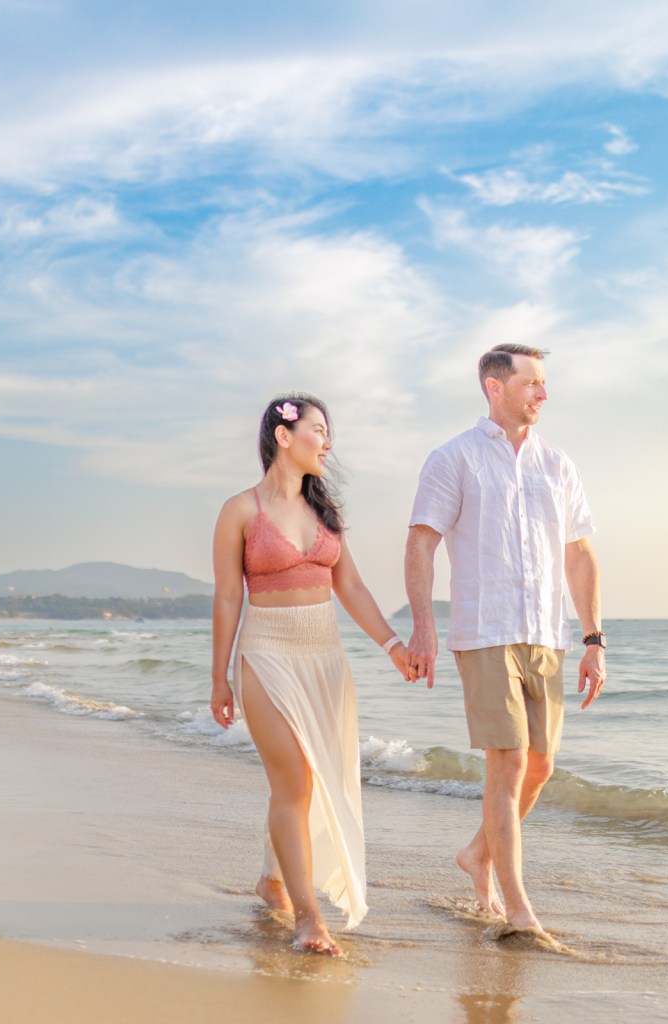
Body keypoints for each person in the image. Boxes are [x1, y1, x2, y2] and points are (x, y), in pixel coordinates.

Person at [404, 343, 605, 937]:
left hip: (547, 632)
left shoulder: (558, 464)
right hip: (486, 630)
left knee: (540, 766)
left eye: (544, 384)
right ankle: (518, 909)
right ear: (494, 386)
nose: (543, 393)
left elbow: (580, 554)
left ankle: (477, 854)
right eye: (532, 383)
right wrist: (423, 625)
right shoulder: (454, 459)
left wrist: (594, 638)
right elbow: (421, 543)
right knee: (509, 761)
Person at [211, 393, 416, 956]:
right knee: (294, 783)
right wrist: (219, 677)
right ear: (284, 435)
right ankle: (309, 919)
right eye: (319, 430)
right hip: (267, 654)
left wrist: (393, 645)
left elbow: (350, 587)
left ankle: (272, 878)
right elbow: (229, 596)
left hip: (325, 660)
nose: (327, 442)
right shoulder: (241, 511)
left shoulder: (328, 514)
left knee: (315, 780)